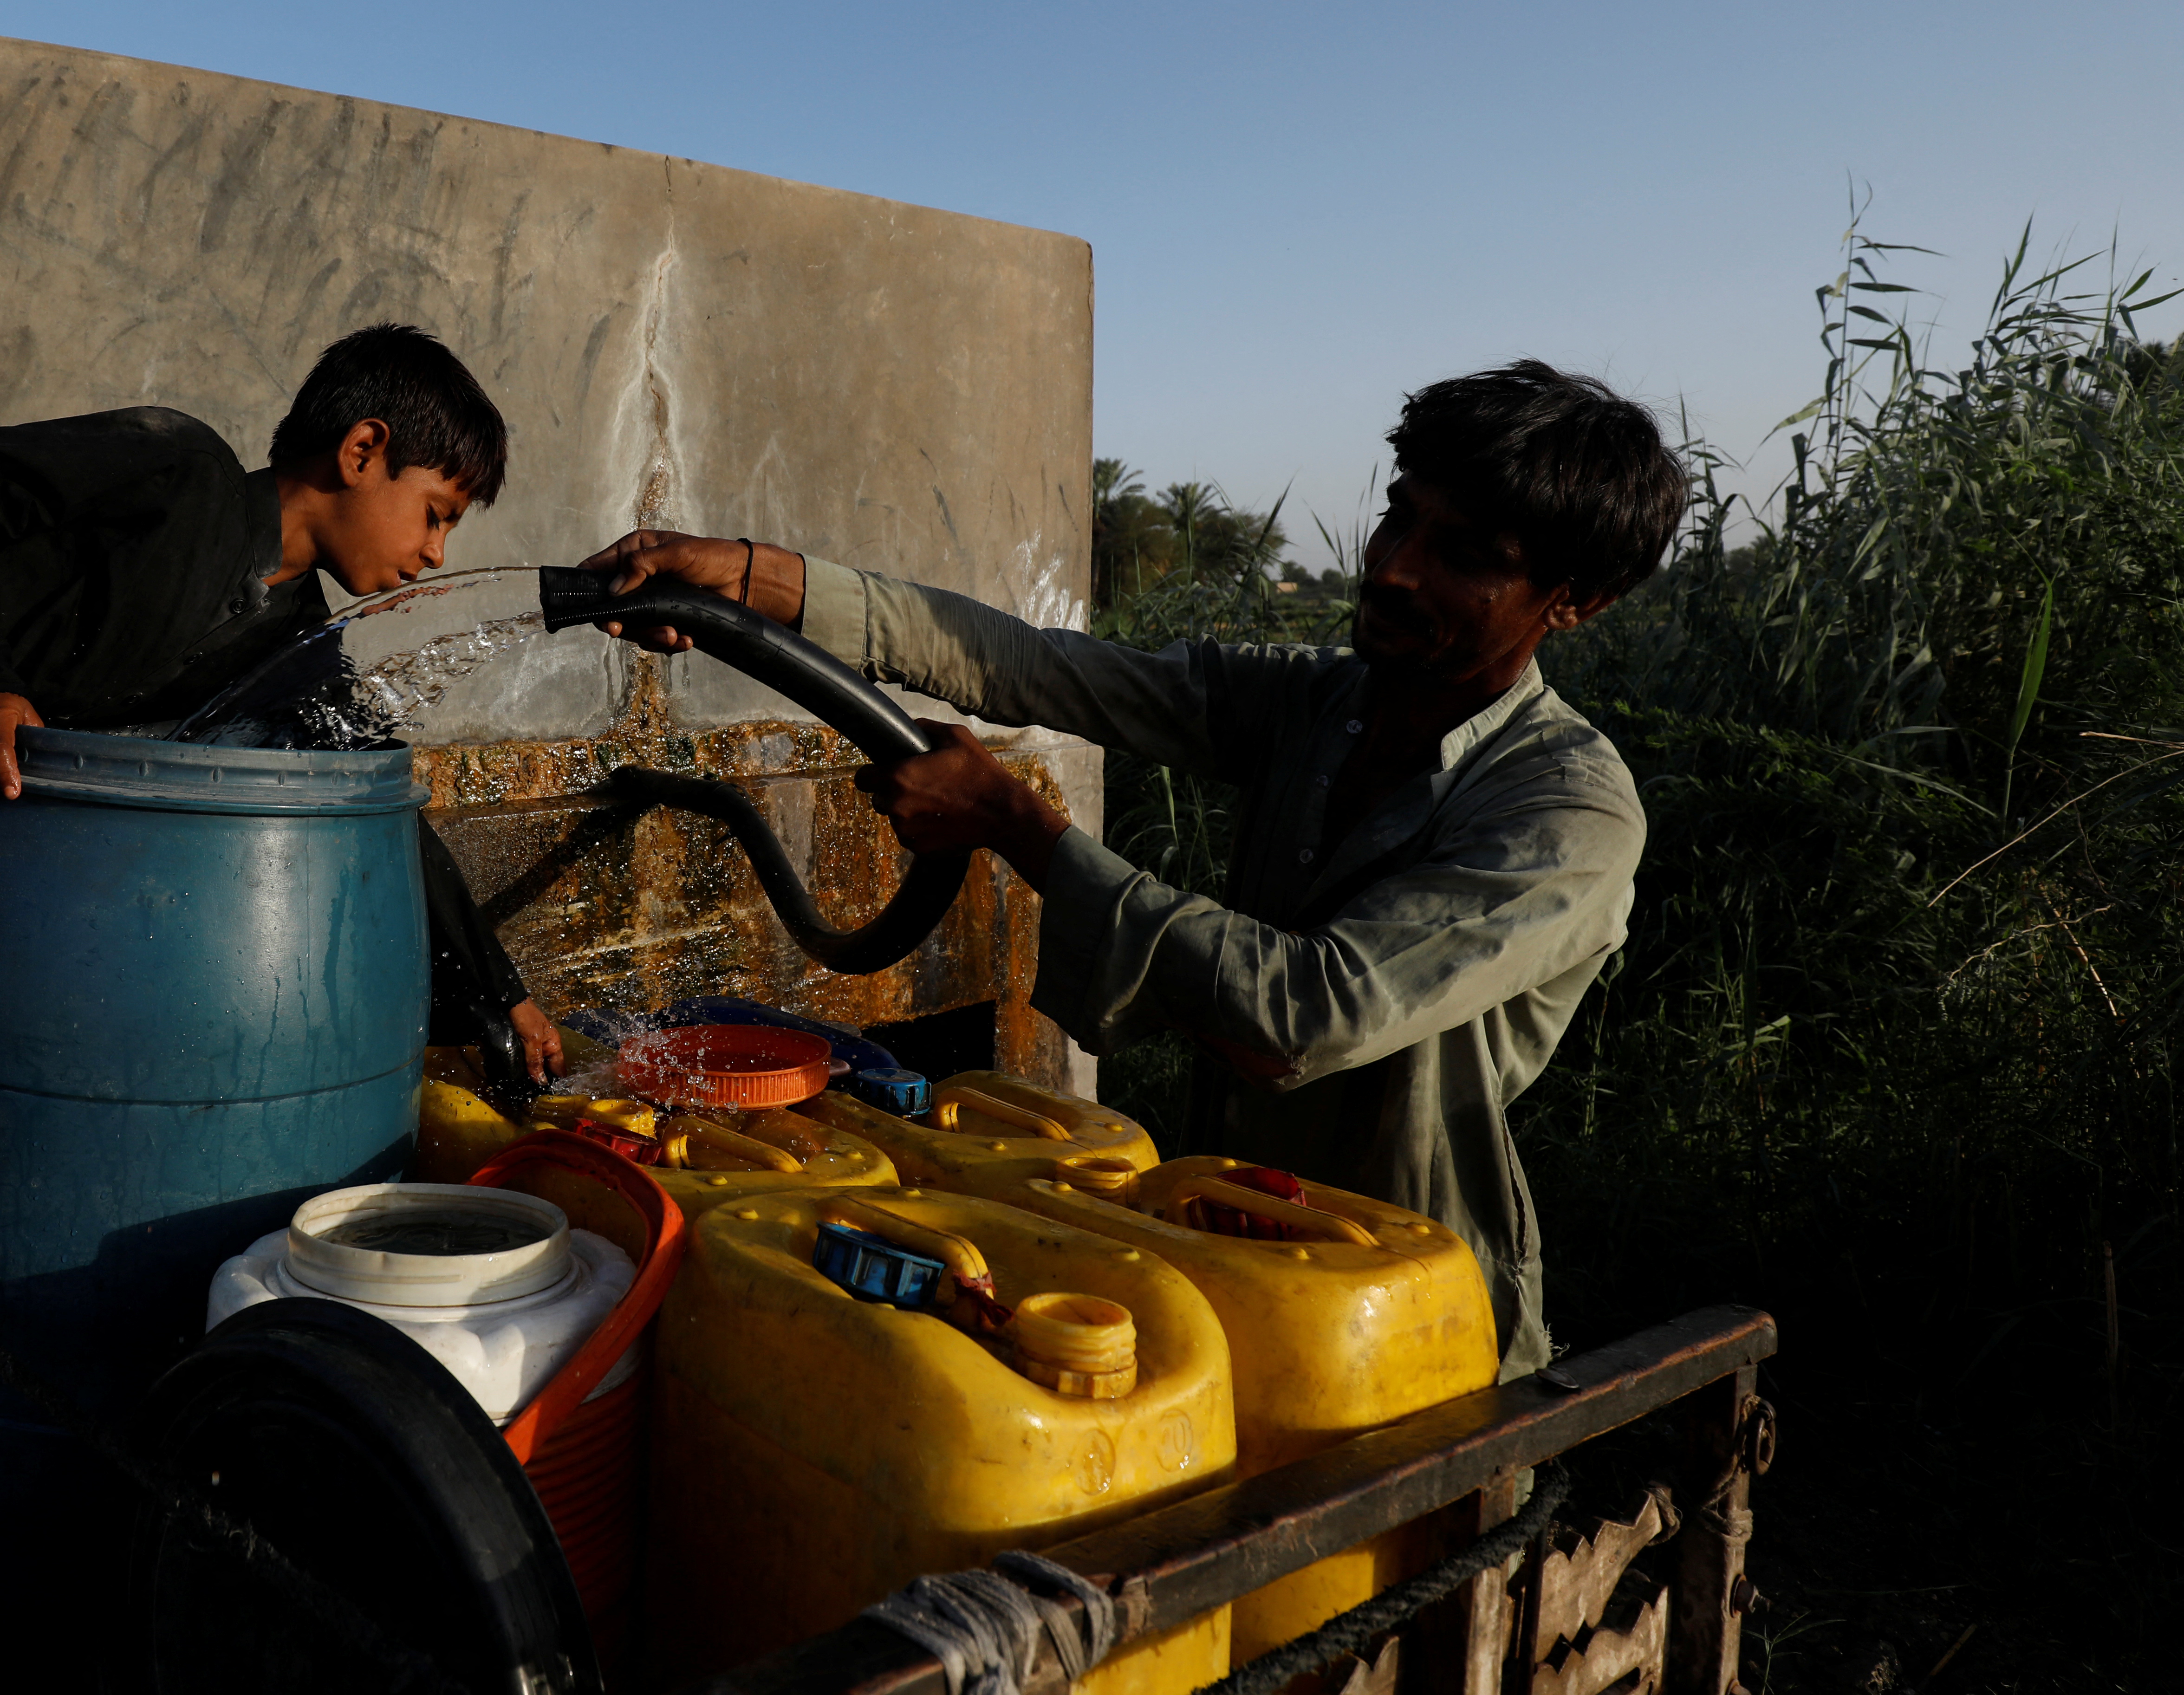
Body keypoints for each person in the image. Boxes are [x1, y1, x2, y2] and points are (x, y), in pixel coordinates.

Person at [0, 324, 566, 1650]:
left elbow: (379, 814)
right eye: (435, 514)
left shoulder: (284, 641)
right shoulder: (172, 473)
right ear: (362, 448)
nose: (434, 555)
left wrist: (495, 992)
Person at [582, 362, 1685, 1377]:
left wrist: (1018, 822)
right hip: (1218, 1241)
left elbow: (1298, 1014)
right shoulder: (1319, 704)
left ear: (1573, 600)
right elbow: (1043, 667)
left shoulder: (1565, 808)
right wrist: (761, 582)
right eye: (1402, 513)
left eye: (1463, 555)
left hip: (1412, 1308)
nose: (1394, 567)